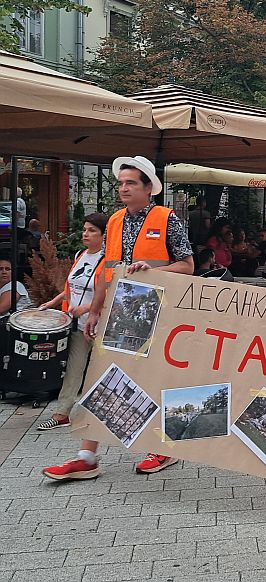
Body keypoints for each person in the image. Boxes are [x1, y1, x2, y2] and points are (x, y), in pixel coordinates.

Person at [43, 155, 193, 481]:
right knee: (104, 377)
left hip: (158, 309)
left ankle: (163, 449)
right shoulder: (113, 222)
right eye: (121, 183)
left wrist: (152, 270)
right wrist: (95, 310)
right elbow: (105, 273)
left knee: (153, 378)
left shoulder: (168, 219)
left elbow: (187, 265)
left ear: (148, 188)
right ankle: (87, 456)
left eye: (130, 183)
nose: (123, 188)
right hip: (120, 309)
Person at [35, 213, 109, 431]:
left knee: (103, 370)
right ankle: (62, 413)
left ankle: (105, 414)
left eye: (92, 230)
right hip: (77, 324)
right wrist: (53, 302)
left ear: (104, 236)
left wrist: (87, 308)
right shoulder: (81, 255)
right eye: (85, 229)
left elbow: (111, 293)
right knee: (74, 369)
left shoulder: (109, 261)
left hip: (101, 324)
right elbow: (71, 289)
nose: (86, 233)